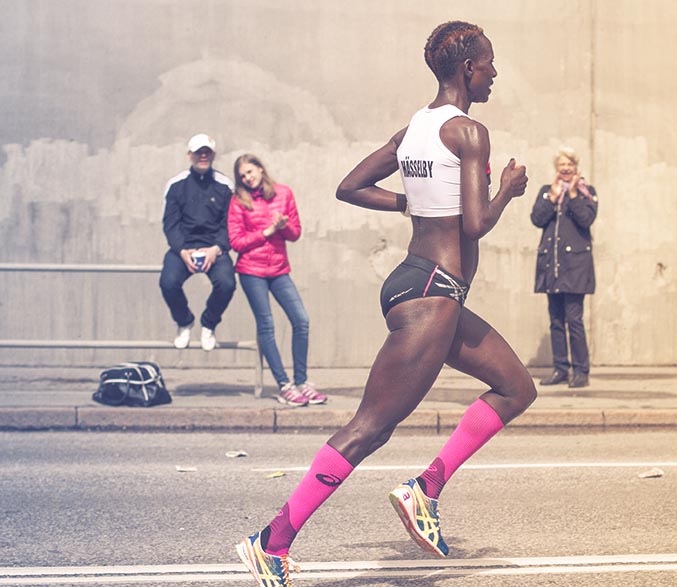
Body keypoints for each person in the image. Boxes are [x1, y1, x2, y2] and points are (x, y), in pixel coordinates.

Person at [236, 21, 536, 586]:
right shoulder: (470, 132)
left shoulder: (415, 128)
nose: (495, 72)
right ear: (467, 67)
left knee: (517, 387)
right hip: (432, 294)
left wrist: (412, 204)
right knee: (369, 428)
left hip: (420, 285)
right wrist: (509, 191)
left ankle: (425, 488)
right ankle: (271, 542)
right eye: (490, 63)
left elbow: (349, 186)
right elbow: (475, 224)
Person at [227, 154, 327, 407]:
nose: (248, 178)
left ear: (261, 169)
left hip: (279, 269)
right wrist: (267, 232)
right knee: (267, 326)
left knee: (301, 321)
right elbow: (236, 242)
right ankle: (284, 386)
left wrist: (282, 226)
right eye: (243, 176)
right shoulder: (238, 201)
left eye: (250, 171)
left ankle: (302, 382)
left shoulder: (283, 193)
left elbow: (295, 234)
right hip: (251, 271)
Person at [160, 134, 236, 351]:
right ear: (189, 155)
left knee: (227, 284)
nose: (202, 156)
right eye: (198, 152)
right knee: (168, 283)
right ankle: (184, 322)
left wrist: (217, 248)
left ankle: (208, 324)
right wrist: (182, 251)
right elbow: (170, 224)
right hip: (183, 248)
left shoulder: (224, 185)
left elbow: (229, 223)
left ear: (213, 154)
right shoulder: (176, 185)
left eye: (207, 152)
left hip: (214, 247)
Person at [531, 148, 598, 388]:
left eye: (569, 163)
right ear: (557, 168)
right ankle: (561, 369)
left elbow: (586, 220)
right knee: (556, 320)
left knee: (574, 319)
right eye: (562, 164)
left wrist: (572, 195)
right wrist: (552, 196)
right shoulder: (546, 192)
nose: (566, 168)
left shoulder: (586, 193)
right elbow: (537, 219)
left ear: (576, 166)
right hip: (553, 267)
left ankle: (581, 371)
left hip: (576, 267)